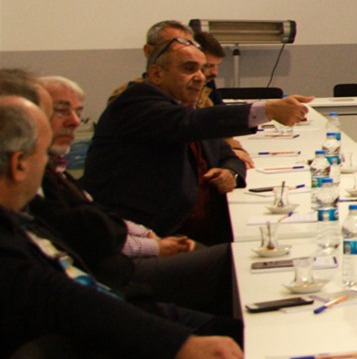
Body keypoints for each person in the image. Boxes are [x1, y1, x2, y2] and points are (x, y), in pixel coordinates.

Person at [0, 96, 243, 359]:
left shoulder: (19, 218)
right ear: (19, 164)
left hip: (101, 356)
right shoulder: (11, 236)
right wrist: (181, 347)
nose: (48, 166)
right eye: (43, 154)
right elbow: (66, 299)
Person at [30, 75, 237, 316]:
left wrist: (147, 235)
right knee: (233, 261)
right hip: (112, 276)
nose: (75, 121)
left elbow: (99, 214)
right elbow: (92, 238)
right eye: (61, 111)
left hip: (132, 251)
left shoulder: (56, 168)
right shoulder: (37, 180)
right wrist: (154, 247)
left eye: (78, 112)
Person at [85, 36, 312, 237]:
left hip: (210, 226)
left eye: (203, 69)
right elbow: (187, 124)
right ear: (156, 74)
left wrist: (231, 173)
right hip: (159, 235)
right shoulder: (135, 103)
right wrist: (267, 110)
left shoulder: (187, 108)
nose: (200, 77)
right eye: (189, 68)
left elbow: (226, 153)